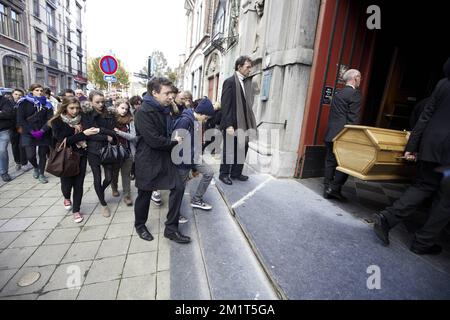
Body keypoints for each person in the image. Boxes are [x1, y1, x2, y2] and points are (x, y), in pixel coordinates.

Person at [373, 58, 450, 255]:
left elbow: (425, 116)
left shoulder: (443, 83)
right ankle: (422, 242)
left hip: (431, 144)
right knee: (445, 200)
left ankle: (387, 218)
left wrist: (412, 145)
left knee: (423, 186)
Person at [134, 77, 189, 243]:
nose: (170, 96)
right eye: (166, 93)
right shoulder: (143, 111)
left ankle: (171, 229)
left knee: (178, 187)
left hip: (165, 157)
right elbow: (153, 140)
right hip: (148, 159)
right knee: (144, 194)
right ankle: (140, 225)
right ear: (154, 93)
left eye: (171, 93)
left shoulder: (164, 108)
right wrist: (174, 142)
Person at [48, 97, 100, 223]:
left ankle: (76, 210)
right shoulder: (57, 121)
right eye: (72, 108)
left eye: (77, 108)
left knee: (79, 184)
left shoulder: (83, 118)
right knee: (66, 184)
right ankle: (66, 197)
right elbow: (62, 140)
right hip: (66, 157)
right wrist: (82, 134)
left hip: (81, 155)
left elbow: (90, 131)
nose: (75, 111)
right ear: (65, 108)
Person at [323, 69, 362, 201]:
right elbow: (353, 119)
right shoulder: (355, 94)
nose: (360, 81)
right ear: (355, 78)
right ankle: (334, 189)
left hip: (330, 133)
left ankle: (326, 188)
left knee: (330, 161)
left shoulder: (338, 93)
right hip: (343, 135)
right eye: (360, 78)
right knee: (345, 164)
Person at [173, 97, 216, 215]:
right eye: (206, 117)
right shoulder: (185, 120)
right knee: (179, 189)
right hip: (182, 160)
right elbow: (175, 142)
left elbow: (196, 142)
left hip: (194, 156)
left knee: (209, 172)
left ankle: (196, 199)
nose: (206, 120)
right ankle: (175, 215)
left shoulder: (197, 122)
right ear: (201, 113)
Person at [219, 56, 257, 185]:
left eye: (250, 67)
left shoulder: (246, 83)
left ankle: (236, 173)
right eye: (247, 67)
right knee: (229, 149)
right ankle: (223, 174)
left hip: (244, 123)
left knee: (243, 148)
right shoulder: (229, 82)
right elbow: (225, 105)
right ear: (239, 67)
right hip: (232, 124)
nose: (249, 70)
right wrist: (229, 125)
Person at [81, 90, 117, 217]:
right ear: (91, 102)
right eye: (97, 102)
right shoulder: (86, 114)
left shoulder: (110, 113)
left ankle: (100, 191)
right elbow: (89, 134)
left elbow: (113, 132)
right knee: (97, 177)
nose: (101, 104)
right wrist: (105, 136)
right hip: (93, 150)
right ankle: (103, 204)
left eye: (103, 101)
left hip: (107, 150)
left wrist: (102, 131)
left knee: (109, 177)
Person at [16, 84, 54, 184]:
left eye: (41, 90)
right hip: (28, 133)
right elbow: (21, 119)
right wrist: (31, 131)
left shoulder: (47, 104)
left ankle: (41, 173)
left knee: (42, 154)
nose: (40, 92)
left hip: (43, 132)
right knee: (30, 156)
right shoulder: (23, 102)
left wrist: (43, 130)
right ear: (32, 91)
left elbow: (50, 119)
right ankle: (36, 167)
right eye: (37, 90)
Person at [111, 99, 136, 206]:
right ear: (116, 107)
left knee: (126, 175)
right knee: (114, 173)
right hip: (113, 151)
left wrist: (119, 132)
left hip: (127, 152)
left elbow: (134, 137)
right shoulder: (111, 119)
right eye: (122, 108)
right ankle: (114, 188)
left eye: (126, 108)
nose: (124, 111)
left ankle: (127, 196)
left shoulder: (131, 121)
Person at [9, 89, 27, 171]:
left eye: (20, 95)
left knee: (22, 145)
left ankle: (24, 163)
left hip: (22, 127)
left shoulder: (24, 104)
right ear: (12, 94)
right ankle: (17, 162)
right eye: (16, 94)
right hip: (12, 128)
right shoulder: (8, 104)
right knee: (14, 145)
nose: (18, 96)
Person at [0, 94, 15, 182]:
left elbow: (8, 114)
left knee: (2, 151)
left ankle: (4, 172)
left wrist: (3, 113)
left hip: (3, 130)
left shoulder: (4, 100)